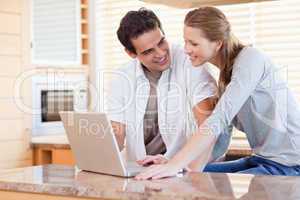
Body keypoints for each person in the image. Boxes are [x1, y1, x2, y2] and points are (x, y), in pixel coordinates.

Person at [135, 6, 300, 179]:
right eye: (186, 42)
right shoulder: (225, 77)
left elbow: (216, 121)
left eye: (194, 43)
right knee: (185, 177)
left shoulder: (251, 59)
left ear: (218, 43)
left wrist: (176, 164)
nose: (186, 49)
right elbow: (219, 139)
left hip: (291, 165)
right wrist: (173, 163)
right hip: (261, 160)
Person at [106, 8, 226, 164]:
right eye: (149, 51)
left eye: (161, 42)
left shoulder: (190, 61)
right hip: (141, 170)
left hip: (186, 166)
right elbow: (117, 133)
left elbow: (207, 123)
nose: (161, 53)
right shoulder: (121, 77)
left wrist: (175, 164)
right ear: (131, 54)